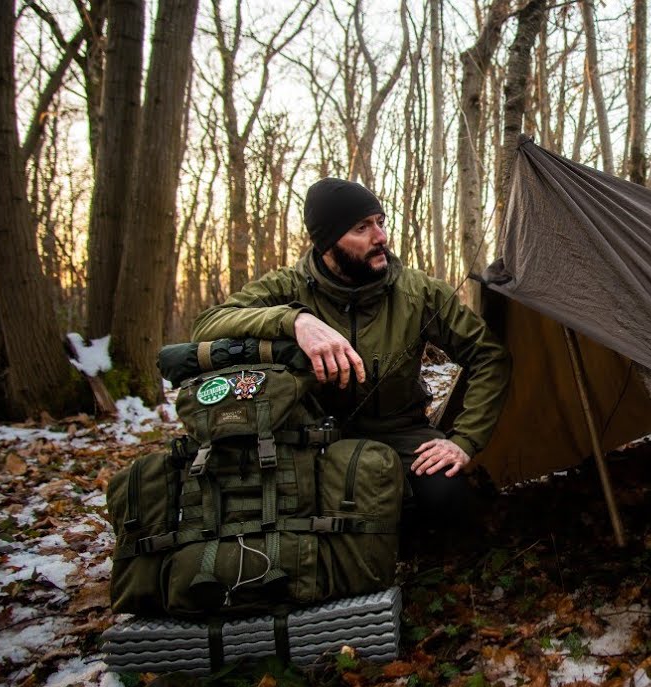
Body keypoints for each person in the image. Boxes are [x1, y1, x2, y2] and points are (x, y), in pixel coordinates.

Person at [192, 178, 510, 517]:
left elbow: (489, 355)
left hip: (399, 431)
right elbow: (207, 325)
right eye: (362, 228)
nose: (381, 237)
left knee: (448, 497)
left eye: (380, 222)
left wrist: (464, 441)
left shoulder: (418, 292)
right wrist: (296, 321)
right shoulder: (287, 287)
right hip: (310, 435)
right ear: (327, 244)